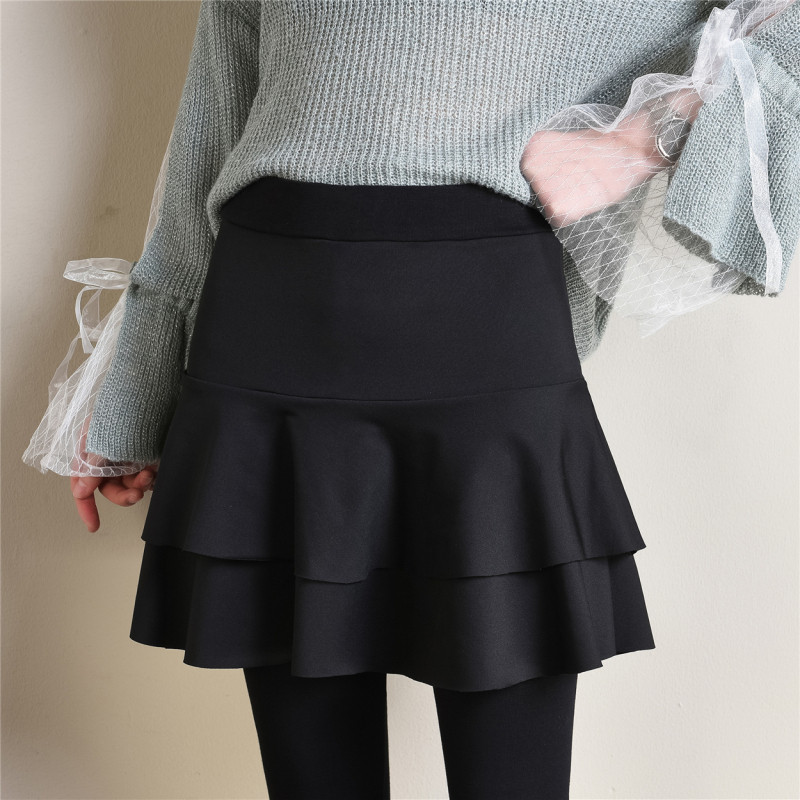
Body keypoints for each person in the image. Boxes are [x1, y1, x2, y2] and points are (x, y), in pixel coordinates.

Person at [64, 1, 799, 798]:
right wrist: (136, 392)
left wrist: (638, 140)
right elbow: (210, 134)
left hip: (484, 320)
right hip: (264, 320)